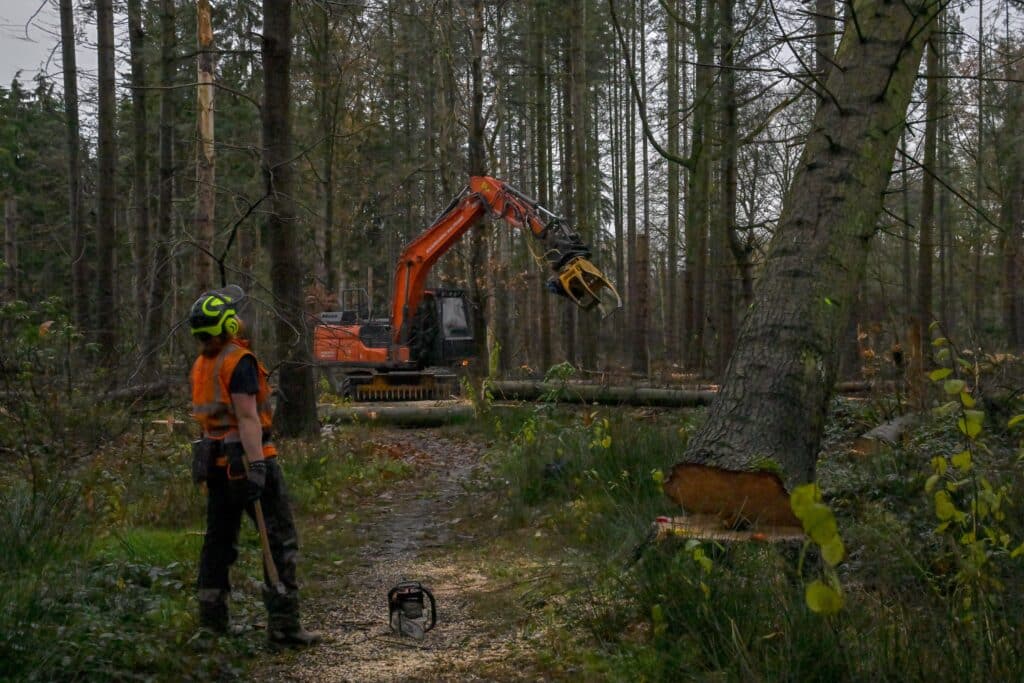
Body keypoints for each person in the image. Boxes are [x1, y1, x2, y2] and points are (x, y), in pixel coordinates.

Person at [188, 285, 320, 647]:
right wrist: (258, 467)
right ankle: (284, 627)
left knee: (217, 545)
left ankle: (211, 628)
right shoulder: (237, 361)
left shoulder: (203, 364)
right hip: (245, 461)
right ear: (227, 324)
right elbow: (247, 418)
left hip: (214, 467)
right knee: (279, 540)